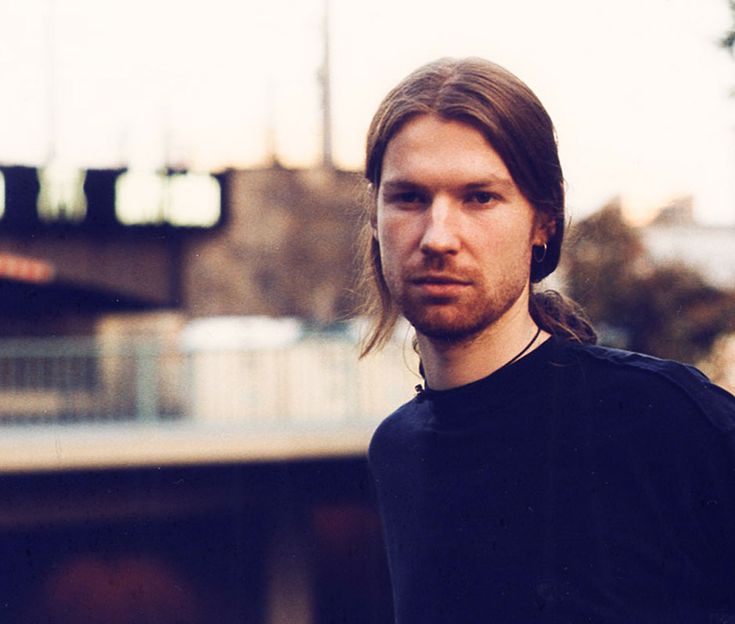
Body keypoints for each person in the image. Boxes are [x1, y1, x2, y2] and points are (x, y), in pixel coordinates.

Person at [359, 57, 735, 623]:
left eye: (479, 197)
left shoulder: (663, 416)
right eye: (408, 198)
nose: (438, 236)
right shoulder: (398, 450)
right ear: (376, 216)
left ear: (544, 222)